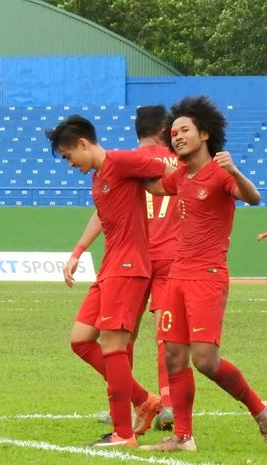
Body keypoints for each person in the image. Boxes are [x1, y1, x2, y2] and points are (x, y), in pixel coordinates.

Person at [140, 96, 267, 452]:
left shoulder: (220, 175)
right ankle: (183, 436)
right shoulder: (181, 176)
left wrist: (234, 170)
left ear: (204, 133)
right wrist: (119, 169)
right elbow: (155, 186)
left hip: (207, 276)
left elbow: (254, 198)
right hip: (177, 276)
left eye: (184, 130)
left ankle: (261, 410)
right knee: (173, 356)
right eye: (173, 132)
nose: (177, 136)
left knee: (205, 360)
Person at [46, 115, 174, 448]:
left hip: (129, 266)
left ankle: (123, 434)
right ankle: (144, 400)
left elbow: (163, 168)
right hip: (109, 267)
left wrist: (192, 183)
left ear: (83, 144)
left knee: (113, 346)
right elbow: (102, 214)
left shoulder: (120, 161)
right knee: (81, 340)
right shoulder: (100, 176)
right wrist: (77, 251)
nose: (69, 163)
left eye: (67, 155)